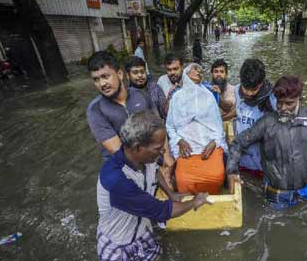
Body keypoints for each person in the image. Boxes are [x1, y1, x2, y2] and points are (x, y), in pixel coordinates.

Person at [95, 111, 210, 261]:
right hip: (117, 243)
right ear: (137, 147)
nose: (163, 150)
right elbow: (160, 211)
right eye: (158, 147)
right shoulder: (116, 179)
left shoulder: (146, 158)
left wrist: (172, 194)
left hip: (143, 231)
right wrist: (195, 201)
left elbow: (155, 171)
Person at [226, 76, 307, 209]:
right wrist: (232, 172)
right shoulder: (267, 122)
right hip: (277, 194)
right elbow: (237, 143)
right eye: (279, 103)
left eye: (289, 103)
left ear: (299, 99)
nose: (283, 108)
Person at [166, 63, 227, 194]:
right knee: (182, 179)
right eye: (195, 69)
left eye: (200, 70)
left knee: (216, 175)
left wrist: (214, 142)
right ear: (186, 74)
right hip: (187, 147)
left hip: (208, 145)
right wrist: (179, 141)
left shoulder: (209, 96)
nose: (199, 71)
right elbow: (170, 126)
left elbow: (218, 126)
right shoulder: (177, 98)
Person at [86, 51, 157, 161]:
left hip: (152, 155)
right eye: (96, 79)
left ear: (120, 74)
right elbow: (118, 150)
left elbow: (158, 127)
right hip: (122, 166)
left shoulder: (141, 95)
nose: (102, 84)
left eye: (105, 76)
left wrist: (166, 159)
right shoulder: (96, 109)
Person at [232, 58, 278, 179]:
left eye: (254, 90)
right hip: (242, 158)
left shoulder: (274, 100)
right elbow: (236, 112)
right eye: (245, 88)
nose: (249, 93)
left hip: (262, 163)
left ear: (261, 83)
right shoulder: (236, 90)